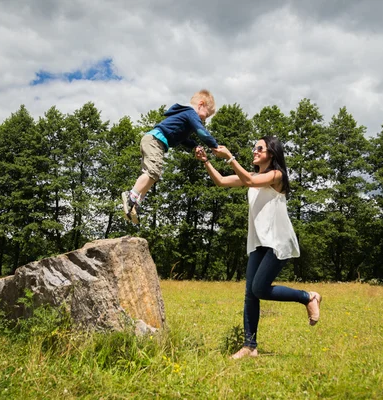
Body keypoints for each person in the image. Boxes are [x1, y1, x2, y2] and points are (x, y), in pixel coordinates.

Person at [195, 136, 322, 359]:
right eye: (254, 147)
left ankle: (308, 297)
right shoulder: (252, 176)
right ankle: (249, 346)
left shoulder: (277, 176)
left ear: (271, 153)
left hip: (276, 241)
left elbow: (252, 182)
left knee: (260, 289)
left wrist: (231, 158)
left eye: (259, 148)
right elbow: (222, 182)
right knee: (250, 294)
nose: (254, 151)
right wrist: (206, 161)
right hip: (258, 241)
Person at [122, 89, 220, 223]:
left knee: (154, 174)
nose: (204, 119)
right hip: (154, 141)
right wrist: (215, 146)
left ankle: (135, 203)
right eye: (206, 115)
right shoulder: (191, 113)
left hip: (153, 141)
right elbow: (201, 132)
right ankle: (131, 196)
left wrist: (195, 146)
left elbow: (183, 139)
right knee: (152, 172)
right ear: (200, 104)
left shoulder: (184, 118)